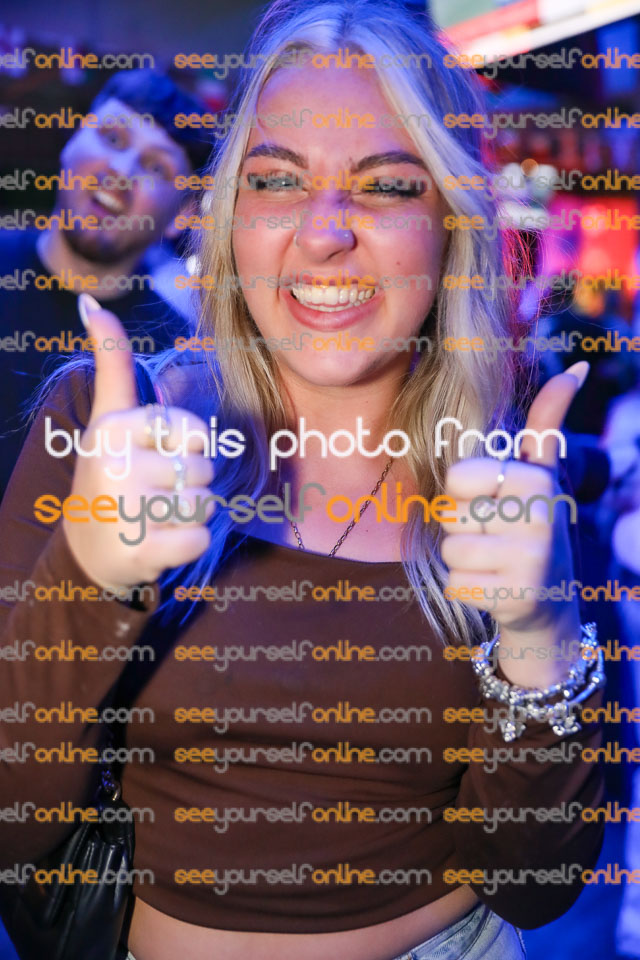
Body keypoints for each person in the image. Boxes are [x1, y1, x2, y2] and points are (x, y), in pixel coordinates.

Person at [0, 3, 605, 959]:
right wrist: (89, 578)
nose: (324, 235)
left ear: (453, 226)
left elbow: (534, 885)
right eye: (278, 179)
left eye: (386, 186)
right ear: (230, 216)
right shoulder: (112, 425)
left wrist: (544, 632)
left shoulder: (509, 480)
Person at [0, 69, 211, 501]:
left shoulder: (178, 366)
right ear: (72, 140)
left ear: (182, 215)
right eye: (112, 138)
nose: (121, 170)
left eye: (155, 166)